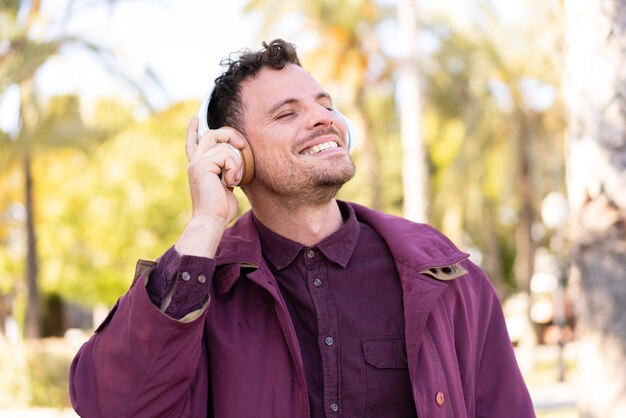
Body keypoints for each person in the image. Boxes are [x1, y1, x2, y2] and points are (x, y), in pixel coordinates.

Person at [69, 39, 535, 418]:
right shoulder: (198, 290)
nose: (323, 118)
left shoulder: (444, 276)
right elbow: (114, 406)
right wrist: (205, 223)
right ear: (237, 152)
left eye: (325, 104)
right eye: (287, 113)